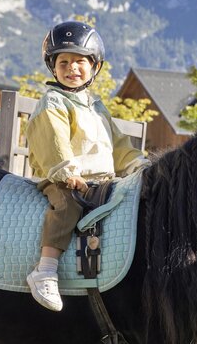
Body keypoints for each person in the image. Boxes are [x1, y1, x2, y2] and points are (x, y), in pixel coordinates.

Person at [24, 21, 148, 311]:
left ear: (94, 67)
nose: (72, 68)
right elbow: (53, 142)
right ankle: (46, 269)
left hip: (102, 180)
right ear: (53, 67)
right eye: (63, 62)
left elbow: (117, 144)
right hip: (62, 179)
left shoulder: (95, 106)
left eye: (80, 61)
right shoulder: (52, 101)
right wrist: (69, 173)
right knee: (67, 206)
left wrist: (138, 165)